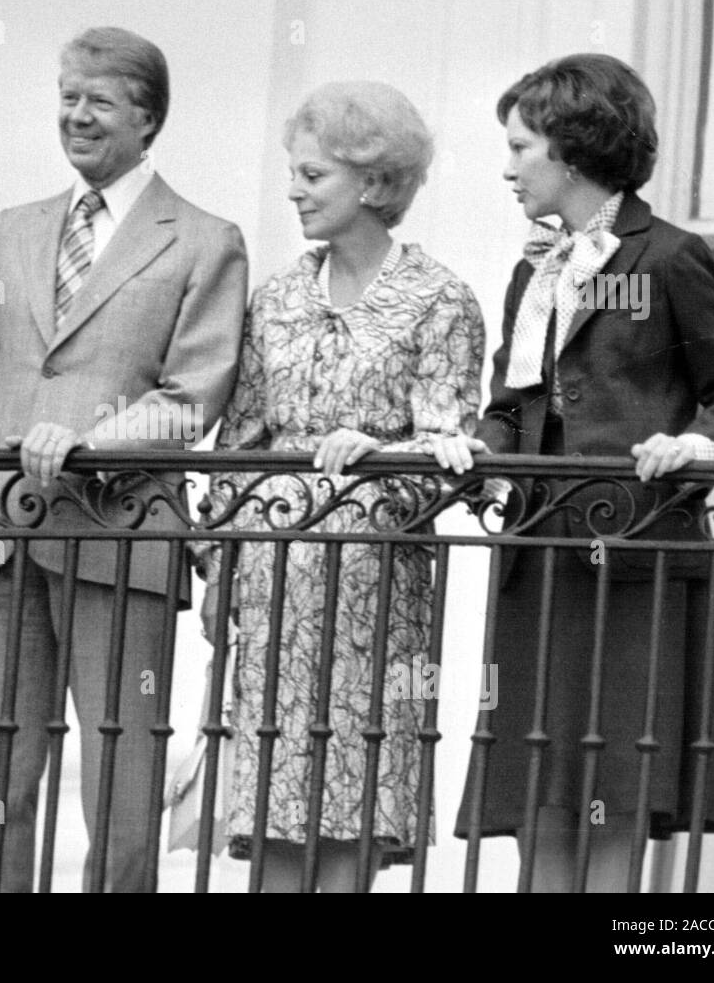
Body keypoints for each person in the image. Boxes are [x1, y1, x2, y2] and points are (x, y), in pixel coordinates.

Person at [0, 26, 248, 891]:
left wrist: (91, 446)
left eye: (98, 101)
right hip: (2, 532)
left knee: (121, 797)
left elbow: (194, 396)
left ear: (147, 118)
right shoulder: (16, 229)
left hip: (122, 541)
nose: (75, 116)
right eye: (67, 98)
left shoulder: (204, 238)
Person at [432, 53, 714, 891]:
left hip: (634, 566)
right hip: (540, 563)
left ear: (573, 151)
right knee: (539, 789)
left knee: (616, 789)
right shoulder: (532, 273)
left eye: (520, 148)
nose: (508, 169)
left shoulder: (669, 258)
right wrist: (479, 444)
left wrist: (699, 445)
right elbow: (513, 408)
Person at [195, 81, 484, 891]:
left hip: (373, 597)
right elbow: (238, 445)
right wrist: (219, 571)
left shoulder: (440, 299)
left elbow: (449, 454)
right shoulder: (276, 299)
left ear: (376, 182)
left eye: (313, 175)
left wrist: (388, 451)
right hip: (271, 584)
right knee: (268, 819)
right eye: (295, 172)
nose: (293, 189)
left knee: (354, 817)